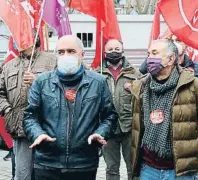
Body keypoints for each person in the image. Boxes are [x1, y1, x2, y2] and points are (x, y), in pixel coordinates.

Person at [23, 35, 118, 180]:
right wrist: (37, 134)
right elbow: (29, 116)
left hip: (83, 164)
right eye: (61, 52)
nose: (65, 55)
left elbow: (110, 116)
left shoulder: (98, 82)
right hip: (47, 163)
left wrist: (101, 132)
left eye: (71, 51)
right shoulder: (42, 82)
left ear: (82, 55)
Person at [130, 39, 198, 180]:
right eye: (148, 54)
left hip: (181, 172)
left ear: (171, 59)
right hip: (148, 168)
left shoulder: (192, 85)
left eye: (154, 53)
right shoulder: (140, 87)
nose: (149, 58)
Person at [0, 33, 57, 180]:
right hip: (19, 129)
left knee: (46, 174)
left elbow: (61, 88)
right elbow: (0, 93)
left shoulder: (52, 61)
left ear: (35, 39)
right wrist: (7, 109)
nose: (18, 41)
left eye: (22, 36)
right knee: (22, 175)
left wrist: (37, 81)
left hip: (46, 128)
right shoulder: (8, 66)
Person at [98, 39, 140, 180]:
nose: (113, 52)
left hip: (129, 128)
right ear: (105, 52)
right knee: (111, 169)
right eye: (110, 49)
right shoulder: (98, 73)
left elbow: (142, 98)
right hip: (107, 128)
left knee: (132, 167)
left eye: (117, 49)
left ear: (122, 51)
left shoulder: (135, 73)